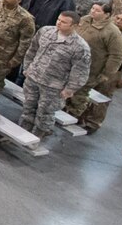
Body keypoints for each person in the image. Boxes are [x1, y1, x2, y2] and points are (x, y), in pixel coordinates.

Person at [13, 12, 91, 143]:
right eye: (58, 20)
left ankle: (38, 136)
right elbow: (32, 49)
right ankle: (23, 131)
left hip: (53, 86)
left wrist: (69, 89)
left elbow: (80, 71)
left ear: (75, 25)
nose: (59, 23)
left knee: (45, 112)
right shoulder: (46, 31)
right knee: (28, 106)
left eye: (64, 22)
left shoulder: (80, 47)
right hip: (33, 78)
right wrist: (27, 68)